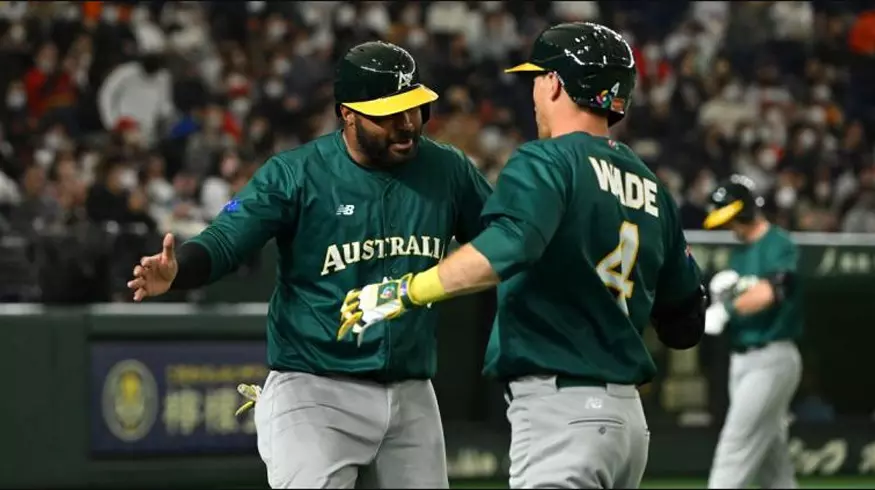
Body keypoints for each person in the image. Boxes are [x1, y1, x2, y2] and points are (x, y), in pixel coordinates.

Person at [337, 22, 706, 489]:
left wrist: (407, 290)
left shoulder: (546, 161)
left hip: (561, 411)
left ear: (554, 83)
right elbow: (685, 325)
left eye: (537, 78)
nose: (533, 90)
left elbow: (505, 248)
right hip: (628, 423)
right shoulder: (653, 187)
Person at [126, 41, 492, 489]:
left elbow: (502, 242)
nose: (407, 126)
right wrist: (179, 267)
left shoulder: (447, 169)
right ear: (347, 114)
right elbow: (226, 239)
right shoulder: (294, 173)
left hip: (412, 389)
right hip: (316, 387)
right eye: (389, 114)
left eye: (414, 108)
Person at [702, 174, 803, 489]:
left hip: (772, 356)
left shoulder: (779, 244)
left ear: (744, 210)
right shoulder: (740, 253)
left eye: (731, 218)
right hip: (742, 359)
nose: (729, 227)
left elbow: (772, 292)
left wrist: (726, 309)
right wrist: (723, 299)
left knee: (736, 443)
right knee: (773, 461)